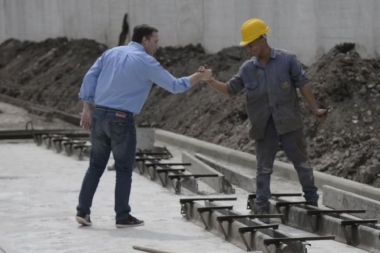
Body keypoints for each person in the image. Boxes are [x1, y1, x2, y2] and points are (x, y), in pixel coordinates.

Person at [75, 24, 212, 228]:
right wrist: (199, 76)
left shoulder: (111, 53)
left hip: (99, 116)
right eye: (155, 41)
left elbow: (90, 77)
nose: (157, 46)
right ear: (145, 40)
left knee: (95, 165)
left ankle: (82, 211)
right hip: (121, 119)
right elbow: (175, 86)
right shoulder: (146, 61)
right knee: (123, 169)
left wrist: (87, 108)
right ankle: (122, 216)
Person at [202, 18, 327, 215]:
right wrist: (210, 81)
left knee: (302, 164)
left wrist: (315, 109)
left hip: (289, 123)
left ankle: (312, 201)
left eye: (251, 44)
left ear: (263, 39)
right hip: (263, 127)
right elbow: (229, 89)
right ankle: (262, 208)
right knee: (263, 169)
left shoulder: (288, 60)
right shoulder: (247, 69)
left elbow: (303, 84)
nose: (249, 49)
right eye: (247, 45)